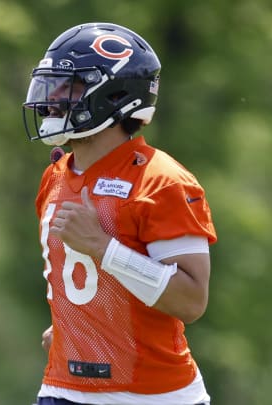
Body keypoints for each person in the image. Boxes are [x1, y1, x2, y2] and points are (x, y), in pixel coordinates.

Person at [22, 22, 217, 405]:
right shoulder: (55, 176)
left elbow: (192, 301)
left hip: (154, 397)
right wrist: (77, 324)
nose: (53, 98)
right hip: (62, 389)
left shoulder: (162, 181)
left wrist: (102, 246)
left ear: (112, 95)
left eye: (70, 86)